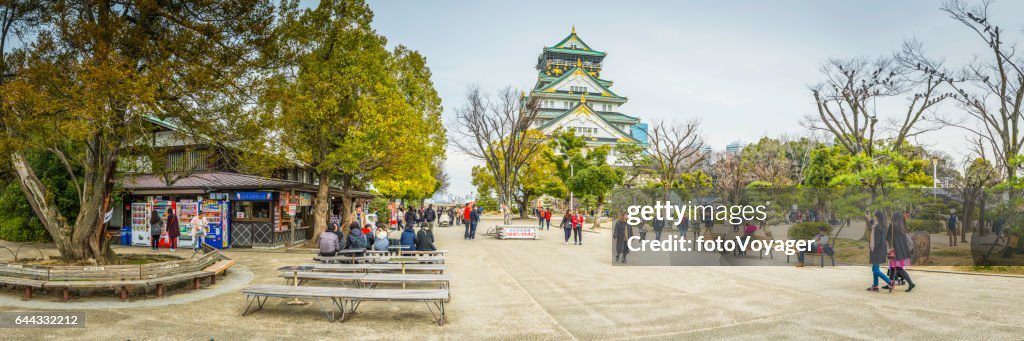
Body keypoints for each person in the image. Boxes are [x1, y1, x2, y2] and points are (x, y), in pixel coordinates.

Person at [884, 211, 916, 292]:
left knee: (897, 268)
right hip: (901, 251)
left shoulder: (892, 225)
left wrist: (891, 244)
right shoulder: (902, 226)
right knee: (893, 268)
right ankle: (890, 284)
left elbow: (887, 237)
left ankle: (911, 283)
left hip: (895, 250)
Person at [867, 211, 893, 292]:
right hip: (880, 249)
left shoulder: (877, 227)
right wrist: (869, 218)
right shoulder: (880, 224)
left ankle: (890, 282)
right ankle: (875, 286)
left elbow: (877, 241)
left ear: (876, 217)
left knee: (875, 270)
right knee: (875, 268)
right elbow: (873, 223)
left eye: (874, 216)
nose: (874, 218)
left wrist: (872, 248)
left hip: (877, 250)